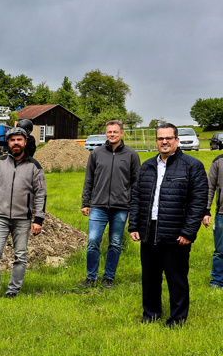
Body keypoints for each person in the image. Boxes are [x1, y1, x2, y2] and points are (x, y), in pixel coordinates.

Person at [129, 123, 207, 328]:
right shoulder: (146, 166)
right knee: (150, 277)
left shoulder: (192, 166)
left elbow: (198, 201)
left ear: (176, 140)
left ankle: (177, 319)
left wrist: (188, 232)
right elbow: (137, 198)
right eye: (160, 138)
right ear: (156, 141)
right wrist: (134, 226)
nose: (164, 142)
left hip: (176, 232)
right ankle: (151, 314)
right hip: (149, 230)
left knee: (176, 278)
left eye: (168, 138)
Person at [0, 127, 46, 299]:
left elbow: (40, 193)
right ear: (8, 143)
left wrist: (38, 219)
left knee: (20, 257)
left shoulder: (34, 166)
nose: (16, 143)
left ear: (25, 141)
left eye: (19, 140)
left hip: (23, 219)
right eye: (12, 140)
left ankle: (12, 291)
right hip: (0, 217)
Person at [79, 120, 140, 288]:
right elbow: (88, 180)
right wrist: (86, 202)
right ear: (105, 134)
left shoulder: (131, 155)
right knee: (93, 241)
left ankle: (109, 279)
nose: (112, 134)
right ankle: (91, 277)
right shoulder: (96, 153)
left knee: (115, 243)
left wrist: (133, 206)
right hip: (98, 206)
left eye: (115, 132)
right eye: (109, 132)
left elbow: (136, 183)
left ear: (121, 134)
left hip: (121, 207)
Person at [203, 152, 223, 288]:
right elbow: (209, 187)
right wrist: (206, 210)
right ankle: (217, 281)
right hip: (222, 213)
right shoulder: (218, 161)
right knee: (220, 251)